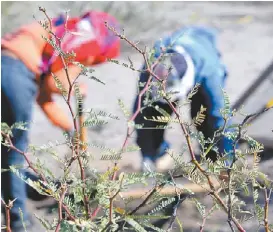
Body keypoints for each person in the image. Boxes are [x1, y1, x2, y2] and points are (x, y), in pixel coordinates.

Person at [1, 11, 120, 231]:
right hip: (14, 74)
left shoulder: (61, 32)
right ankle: (17, 223)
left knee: (6, 150)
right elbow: (57, 84)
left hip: (8, 68)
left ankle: (33, 190)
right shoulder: (86, 41)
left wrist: (69, 129)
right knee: (14, 153)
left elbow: (44, 98)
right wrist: (76, 88)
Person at [132, 26, 234, 172]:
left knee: (204, 116)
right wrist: (147, 156)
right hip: (183, 50)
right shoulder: (152, 64)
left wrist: (227, 160)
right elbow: (140, 114)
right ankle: (157, 154)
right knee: (153, 113)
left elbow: (222, 119)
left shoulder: (210, 73)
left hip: (202, 59)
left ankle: (213, 160)